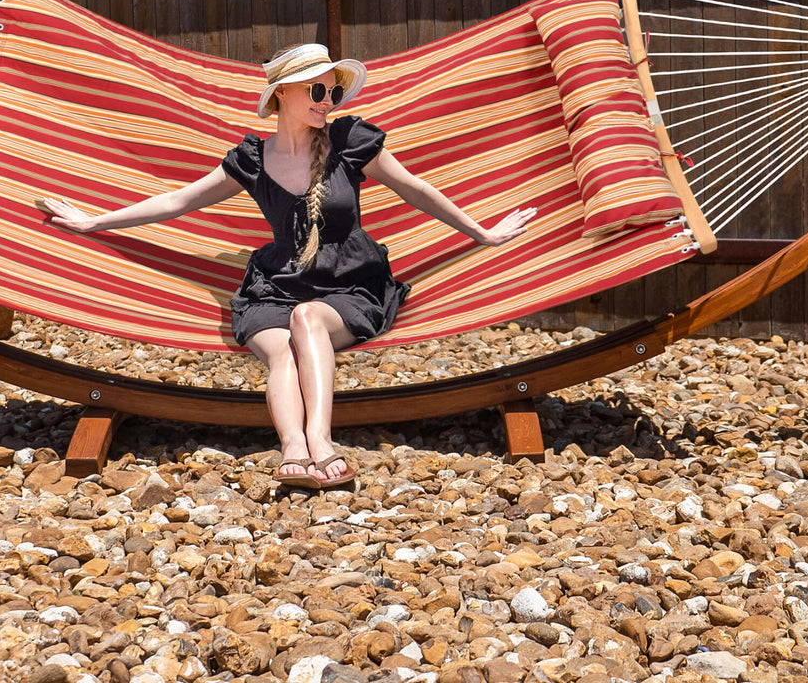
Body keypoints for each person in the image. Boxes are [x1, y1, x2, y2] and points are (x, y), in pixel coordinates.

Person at [41, 44, 536, 491]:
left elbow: (416, 189)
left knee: (307, 319)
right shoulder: (253, 160)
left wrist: (482, 233)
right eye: (317, 90)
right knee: (282, 351)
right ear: (282, 93)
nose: (328, 101)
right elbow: (178, 201)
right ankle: (293, 448)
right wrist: (93, 222)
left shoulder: (349, 141)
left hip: (350, 284)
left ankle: (320, 440)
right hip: (274, 285)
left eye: (333, 91)